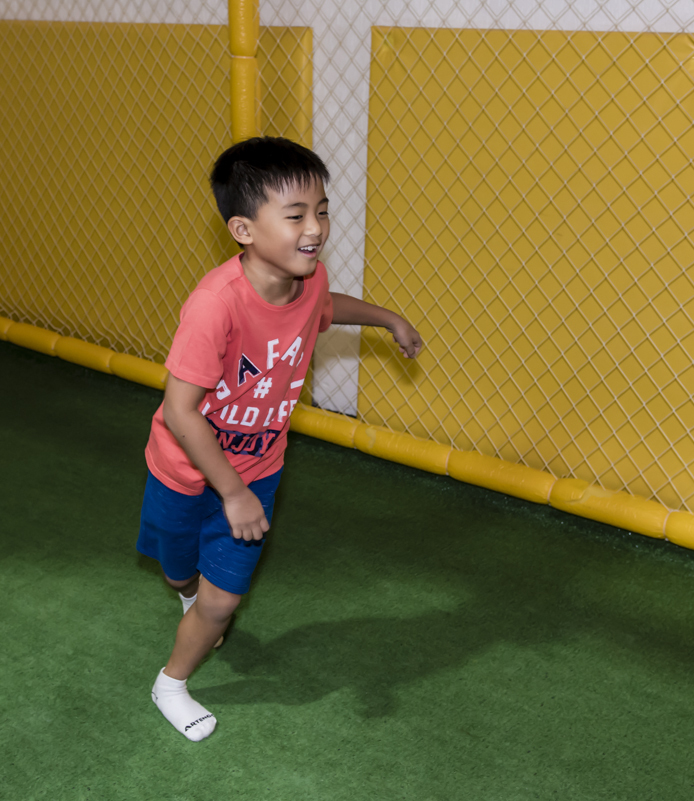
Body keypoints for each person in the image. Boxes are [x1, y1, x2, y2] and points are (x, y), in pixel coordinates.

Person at [139, 137, 423, 741]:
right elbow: (181, 410)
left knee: (222, 602)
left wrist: (388, 317)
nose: (314, 227)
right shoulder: (214, 306)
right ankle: (191, 597)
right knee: (176, 573)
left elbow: (326, 307)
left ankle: (172, 682)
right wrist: (229, 490)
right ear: (243, 228)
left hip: (259, 469)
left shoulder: (308, 280)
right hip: (182, 471)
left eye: (321, 209)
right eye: (295, 215)